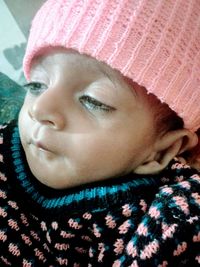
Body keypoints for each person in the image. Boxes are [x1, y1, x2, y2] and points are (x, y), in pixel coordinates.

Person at [0, 0, 200, 266]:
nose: (40, 108)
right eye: (36, 84)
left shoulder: (171, 220)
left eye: (93, 100)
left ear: (162, 150)